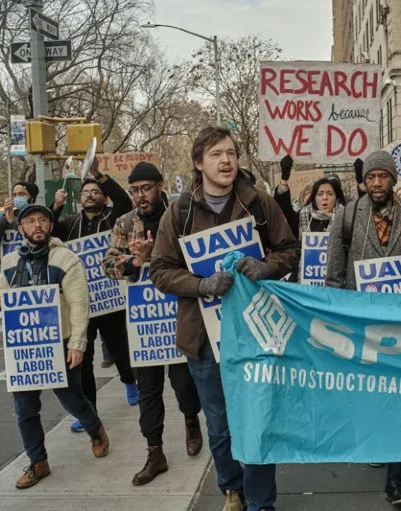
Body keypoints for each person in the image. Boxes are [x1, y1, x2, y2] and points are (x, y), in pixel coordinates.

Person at [149, 126, 299, 511]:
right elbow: (160, 271)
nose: (226, 160)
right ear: (199, 164)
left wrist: (264, 267)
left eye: (231, 153)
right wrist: (201, 285)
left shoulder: (259, 204)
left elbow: (289, 251)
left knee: (260, 417)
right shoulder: (178, 212)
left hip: (256, 333)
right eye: (216, 154)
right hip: (204, 341)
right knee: (220, 423)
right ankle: (232, 489)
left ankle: (262, 501)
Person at [0, 204, 110, 489]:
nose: (37, 225)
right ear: (20, 229)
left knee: (73, 401)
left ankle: (95, 429)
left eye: (42, 220)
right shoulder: (9, 262)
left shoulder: (66, 259)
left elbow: (79, 304)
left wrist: (78, 343)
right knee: (25, 409)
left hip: (61, 344)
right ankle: (38, 462)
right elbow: (3, 301)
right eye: (30, 221)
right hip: (25, 349)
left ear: (50, 226)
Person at [325, 150, 401, 508]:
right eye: (371, 177)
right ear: (364, 181)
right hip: (362, 322)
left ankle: (396, 479)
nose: (376, 183)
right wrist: (336, 316)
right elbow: (334, 273)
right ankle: (374, 439)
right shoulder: (345, 217)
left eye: (383, 177)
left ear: (393, 180)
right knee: (370, 390)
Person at [102, 162, 204, 485]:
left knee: (184, 381)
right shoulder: (124, 222)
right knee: (148, 388)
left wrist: (156, 255)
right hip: (144, 319)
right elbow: (109, 264)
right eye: (135, 190)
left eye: (146, 188)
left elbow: (195, 257)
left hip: (176, 313)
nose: (140, 196)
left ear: (160, 186)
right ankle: (154, 450)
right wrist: (135, 260)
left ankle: (191, 420)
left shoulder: (179, 214)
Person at [50, 158, 139, 432]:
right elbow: (49, 231)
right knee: (84, 358)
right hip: (82, 301)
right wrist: (55, 206)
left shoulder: (112, 218)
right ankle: (89, 410)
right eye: (87, 192)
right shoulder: (69, 222)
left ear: (103, 197)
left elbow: (125, 202)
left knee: (119, 345)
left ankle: (129, 381)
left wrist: (100, 176)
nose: (91, 195)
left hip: (110, 297)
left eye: (96, 192)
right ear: (80, 198)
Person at [0, 181, 39, 248]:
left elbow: (34, 235)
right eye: (14, 195)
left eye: (21, 194)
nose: (17, 197)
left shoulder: (39, 215)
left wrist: (13, 221)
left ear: (32, 198)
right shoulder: (11, 215)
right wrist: (5, 218)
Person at [272, 154, 301, 236]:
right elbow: (283, 208)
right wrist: (284, 178)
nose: (324, 197)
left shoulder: (339, 217)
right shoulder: (300, 218)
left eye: (330, 193)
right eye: (320, 194)